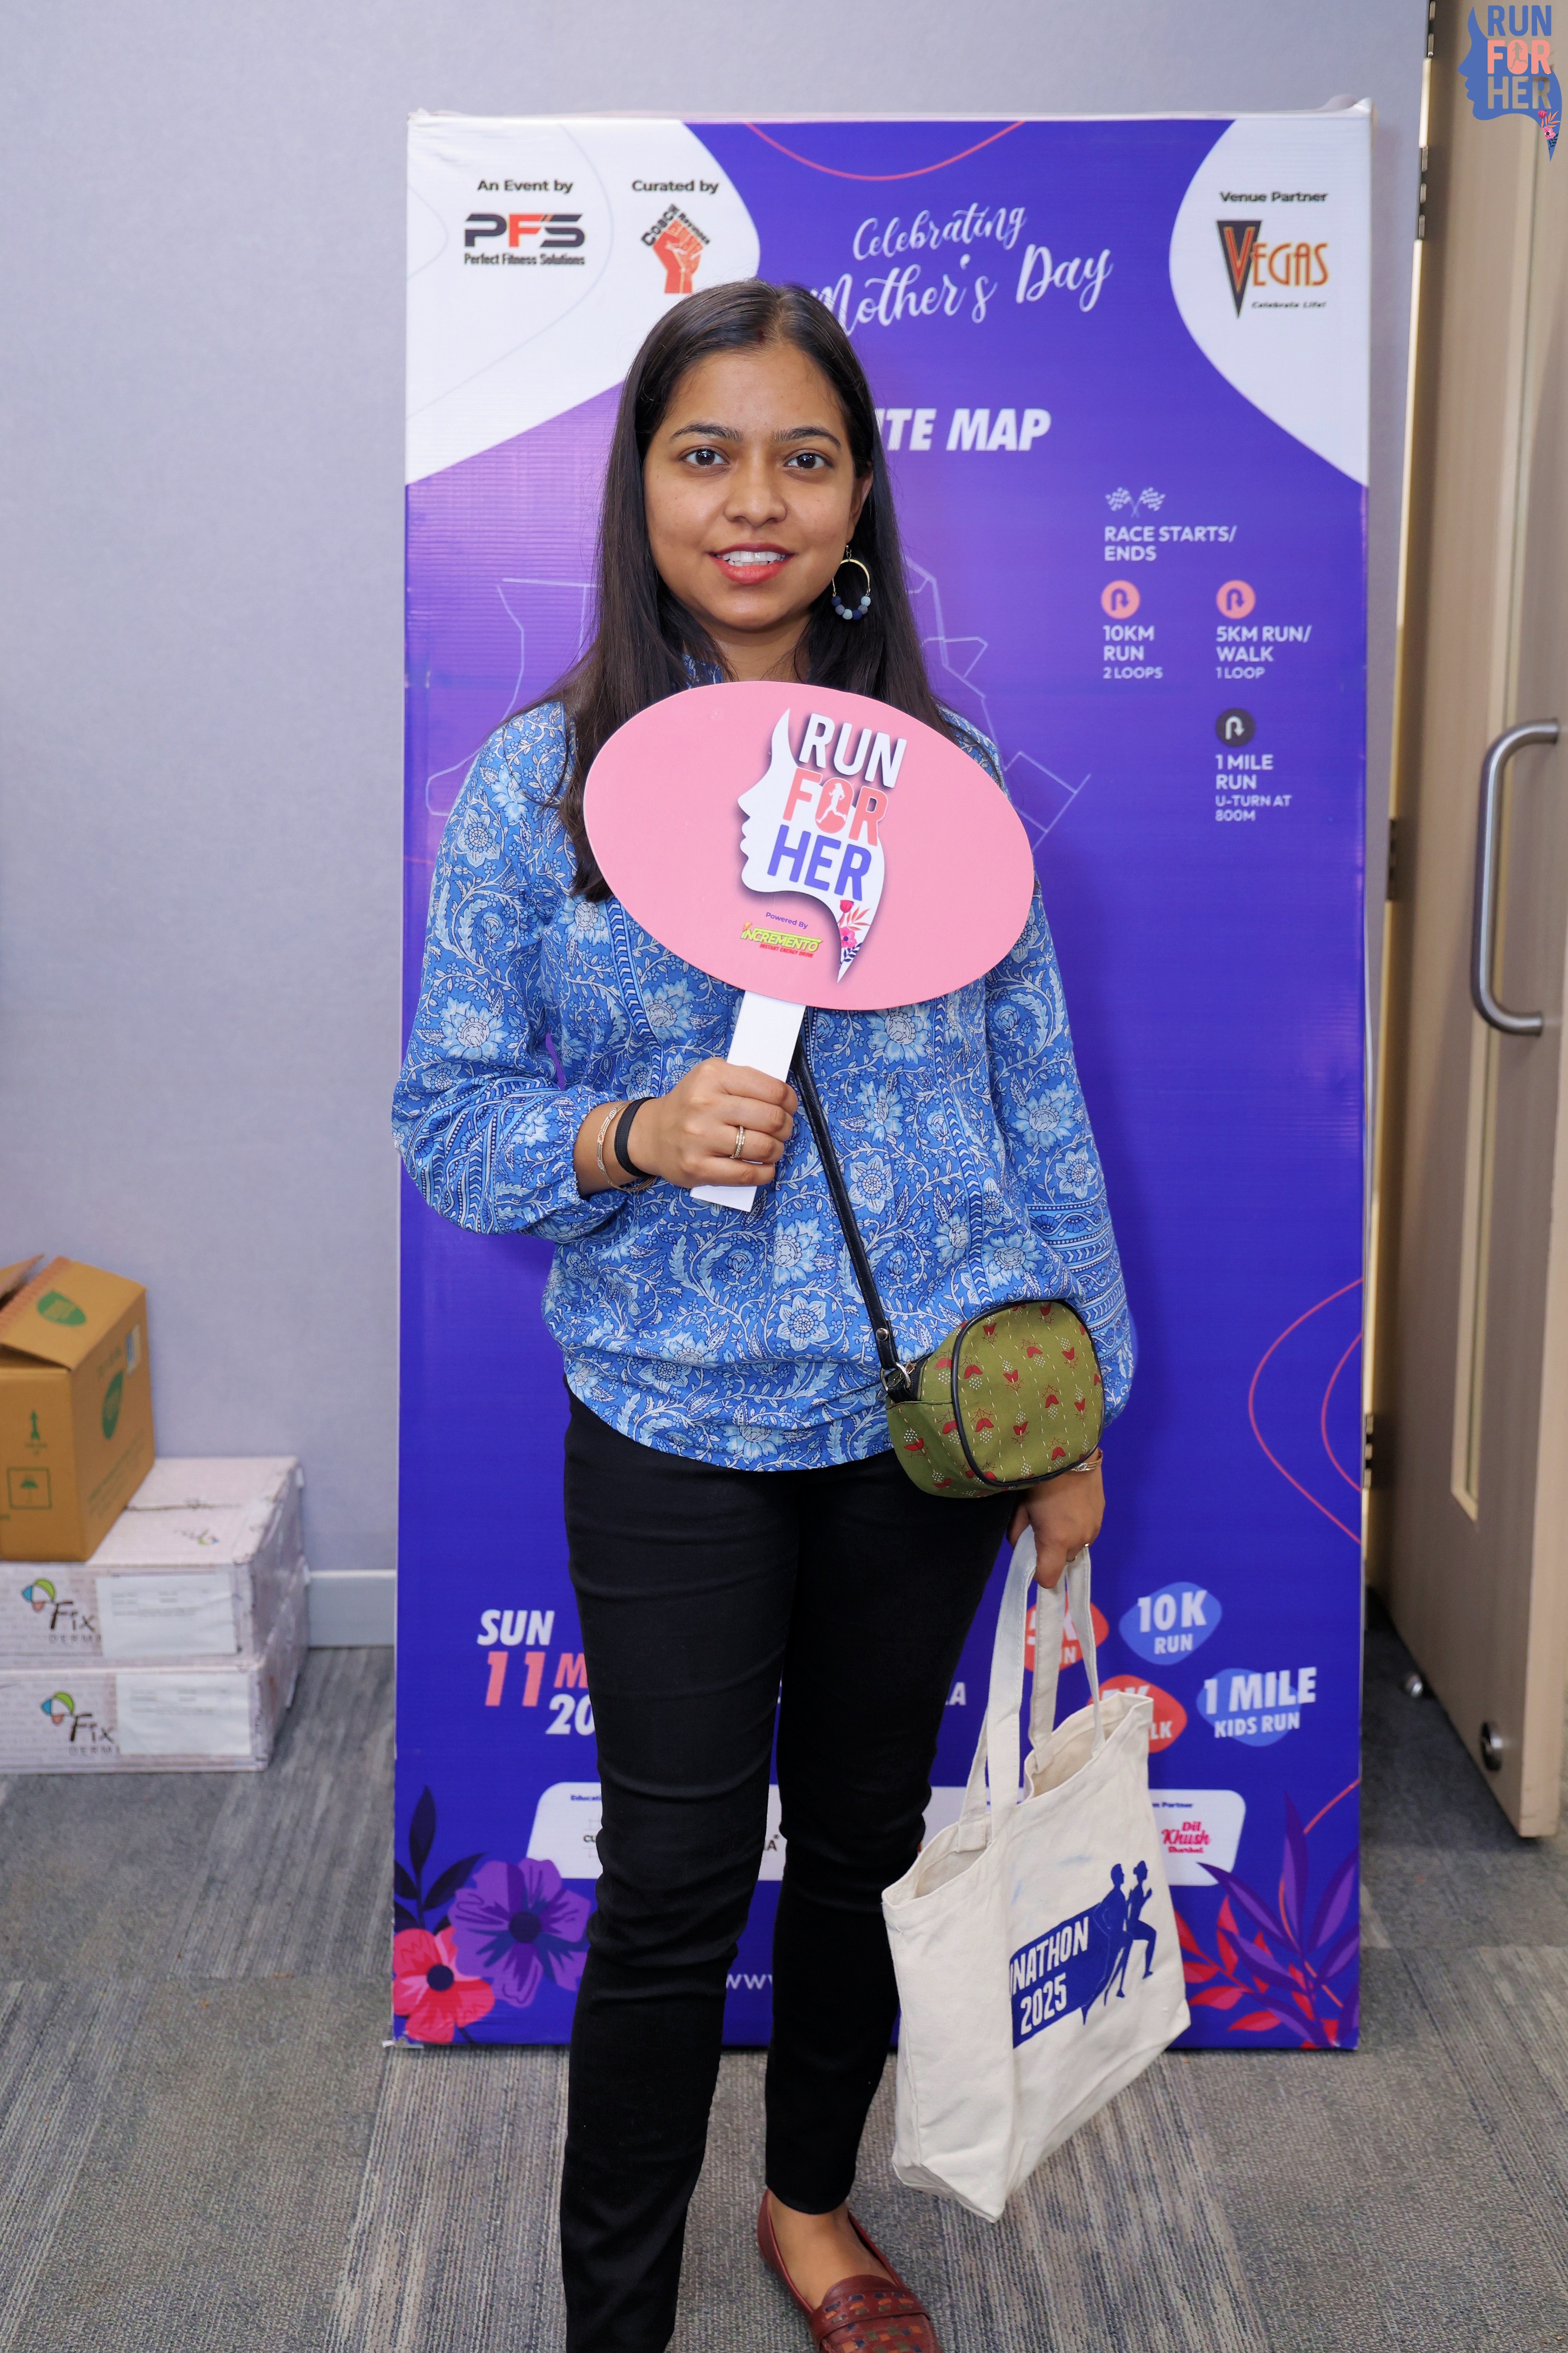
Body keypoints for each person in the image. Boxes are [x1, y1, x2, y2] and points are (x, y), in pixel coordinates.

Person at [395, 279, 1133, 2353]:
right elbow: (448, 1117)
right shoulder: (539, 789)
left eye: (803, 459)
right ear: (639, 486)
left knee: (868, 1847)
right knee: (672, 1889)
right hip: (674, 1426)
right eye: (705, 454)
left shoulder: (945, 783)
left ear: (860, 494)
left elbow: (1036, 1114)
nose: (754, 502)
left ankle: (809, 2210)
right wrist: (631, 1131)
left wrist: (1072, 1415)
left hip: (921, 1424)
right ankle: (612, 2313)